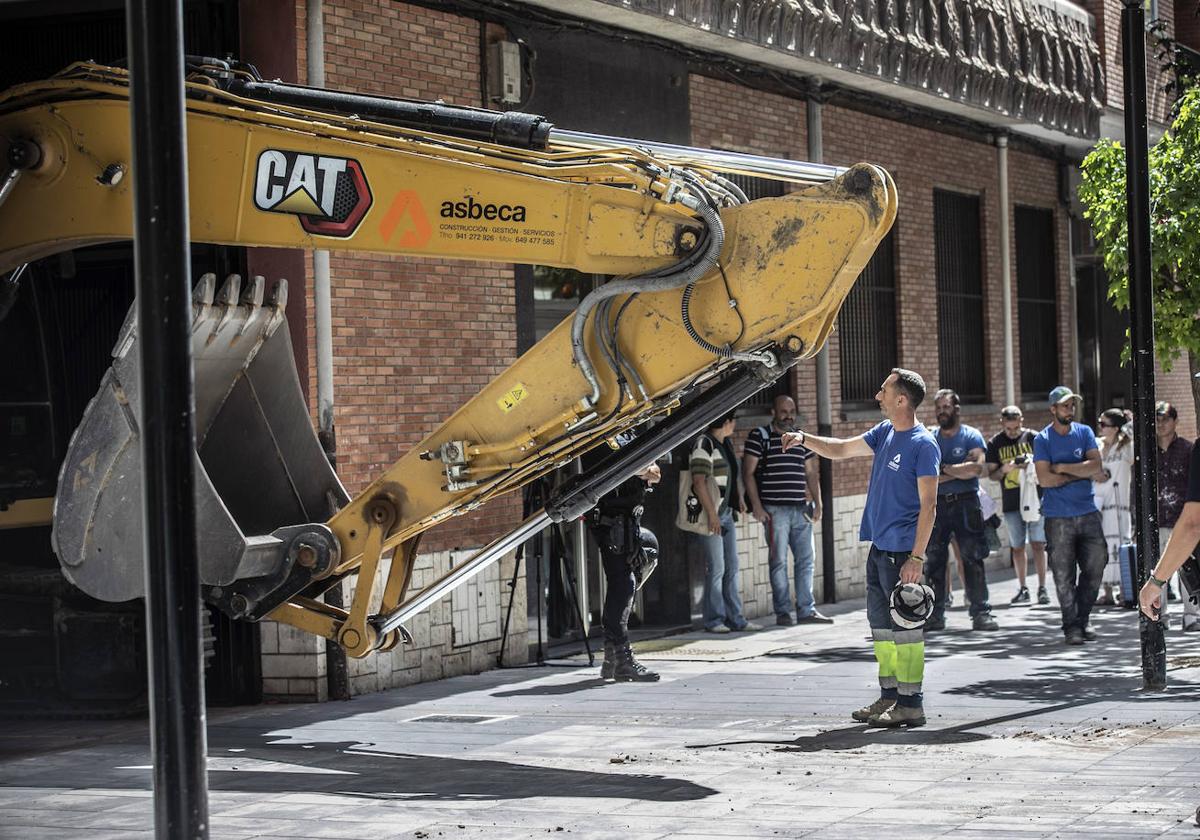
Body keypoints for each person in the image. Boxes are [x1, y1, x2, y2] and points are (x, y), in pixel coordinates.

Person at [782, 368, 939, 727]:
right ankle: (889, 697)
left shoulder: (922, 444)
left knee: (907, 631)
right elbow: (839, 450)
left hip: (903, 554)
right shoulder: (885, 433)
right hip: (879, 547)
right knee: (882, 629)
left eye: (884, 389)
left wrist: (916, 557)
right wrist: (804, 438)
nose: (877, 395)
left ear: (901, 399)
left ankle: (911, 703)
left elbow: (929, 505)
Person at [743, 395, 833, 626]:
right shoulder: (759, 436)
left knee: (806, 560)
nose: (788, 416)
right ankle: (783, 612)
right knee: (778, 562)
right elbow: (748, 474)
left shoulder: (802, 439)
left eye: (791, 411)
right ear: (773, 412)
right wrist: (757, 507)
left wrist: (819, 503)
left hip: (801, 509)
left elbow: (811, 473)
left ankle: (806, 610)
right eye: (783, 411)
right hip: (774, 512)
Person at [1033, 386, 1105, 645]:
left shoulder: (1084, 432)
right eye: (1065, 406)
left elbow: (1097, 465)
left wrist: (1063, 468)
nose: (1070, 410)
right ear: (1053, 409)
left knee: (1096, 566)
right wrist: (1081, 472)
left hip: (1087, 511)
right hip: (1058, 517)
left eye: (1072, 405)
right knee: (1063, 575)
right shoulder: (1042, 439)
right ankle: (1072, 626)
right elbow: (1044, 479)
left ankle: (1082, 618)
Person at [923, 389, 998, 632]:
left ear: (957, 409)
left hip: (967, 504)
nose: (941, 412)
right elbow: (927, 476)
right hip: (938, 506)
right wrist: (956, 470)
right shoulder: (930, 438)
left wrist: (944, 469)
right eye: (938, 408)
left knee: (972, 558)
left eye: (946, 407)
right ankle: (935, 616)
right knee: (934, 561)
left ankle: (981, 613)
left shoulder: (971, 435)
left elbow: (976, 469)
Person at [585, 450, 662, 682]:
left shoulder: (629, 433)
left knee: (626, 581)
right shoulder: (605, 434)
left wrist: (644, 470)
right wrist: (641, 470)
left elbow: (655, 472)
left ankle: (611, 660)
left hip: (630, 520)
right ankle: (622, 659)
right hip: (611, 520)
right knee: (623, 585)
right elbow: (623, 468)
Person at [690, 412, 762, 634]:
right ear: (726, 422)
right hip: (711, 516)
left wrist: (738, 498)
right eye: (733, 421)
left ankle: (736, 618)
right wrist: (712, 515)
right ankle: (714, 620)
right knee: (717, 568)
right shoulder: (704, 444)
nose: (735, 425)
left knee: (732, 567)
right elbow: (699, 482)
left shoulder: (726, 443)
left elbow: (733, 475)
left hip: (728, 513)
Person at [986, 405, 1050, 605]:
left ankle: (1042, 587)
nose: (1012, 433)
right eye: (1009, 429)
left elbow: (1046, 464)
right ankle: (1022, 587)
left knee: (1039, 544)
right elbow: (992, 474)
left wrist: (1029, 464)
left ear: (1022, 421)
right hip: (1012, 501)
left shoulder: (1034, 438)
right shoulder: (995, 442)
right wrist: (1005, 469)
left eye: (1016, 428)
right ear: (1002, 424)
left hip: (1035, 497)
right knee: (1017, 546)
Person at [1155, 401, 1198, 632]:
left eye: (1165, 419)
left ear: (1175, 421)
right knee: (1158, 570)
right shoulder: (1148, 451)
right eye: (1158, 419)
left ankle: (1190, 615)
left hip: (1183, 519)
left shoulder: (1188, 449)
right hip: (1157, 519)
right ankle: (1159, 616)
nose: (1161, 424)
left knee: (1187, 570)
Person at [1093, 408, 1134, 606]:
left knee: (1120, 546)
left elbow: (1137, 446)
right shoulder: (1097, 446)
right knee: (1103, 548)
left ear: (1116, 428)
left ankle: (1126, 590)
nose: (1100, 427)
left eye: (1104, 424)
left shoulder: (1125, 447)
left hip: (1119, 504)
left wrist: (1130, 424)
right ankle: (1107, 592)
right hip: (1099, 504)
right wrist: (1094, 475)